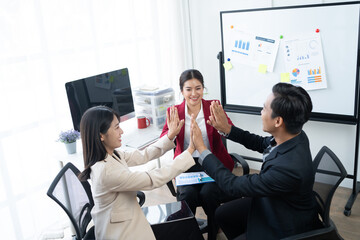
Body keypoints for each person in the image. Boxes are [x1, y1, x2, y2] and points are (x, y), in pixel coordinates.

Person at [190, 82, 322, 240]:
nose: (261, 112)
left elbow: (232, 186)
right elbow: (261, 143)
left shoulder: (288, 169)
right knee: (222, 214)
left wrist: (202, 150)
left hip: (283, 223)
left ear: (278, 121)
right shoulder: (295, 136)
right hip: (275, 201)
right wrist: (227, 129)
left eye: (265, 108)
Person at [78, 105, 196, 240]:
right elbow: (152, 179)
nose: (121, 131)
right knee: (187, 229)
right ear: (101, 136)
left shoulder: (111, 155)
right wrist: (190, 150)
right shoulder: (106, 171)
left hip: (125, 218)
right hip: (121, 232)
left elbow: (143, 155)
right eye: (116, 127)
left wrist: (170, 135)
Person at [160, 69, 236, 240]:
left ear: (203, 88)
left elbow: (228, 128)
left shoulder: (213, 106)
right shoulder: (174, 111)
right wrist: (171, 133)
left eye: (198, 88)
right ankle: (189, 234)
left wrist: (220, 127)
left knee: (209, 193)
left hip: (211, 160)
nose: (194, 94)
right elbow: (164, 140)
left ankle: (213, 232)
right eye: (188, 89)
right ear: (182, 91)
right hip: (186, 163)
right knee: (188, 195)